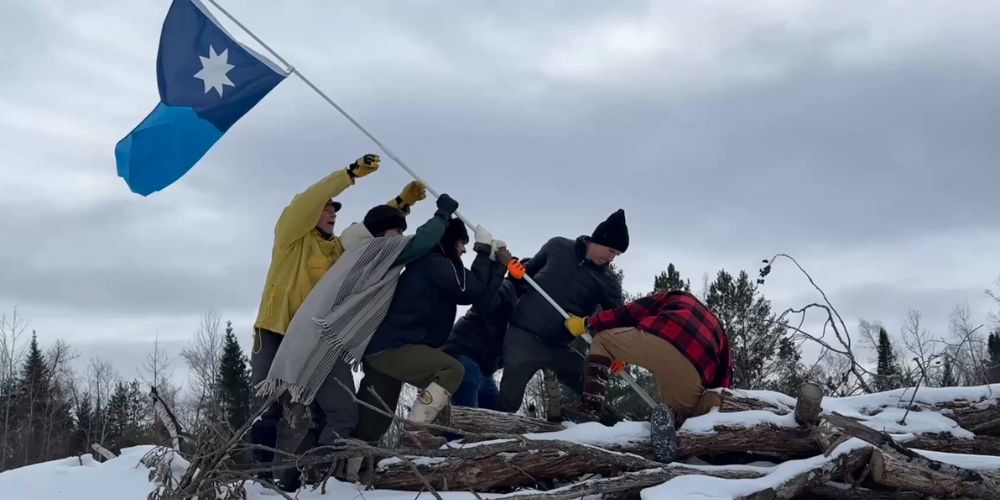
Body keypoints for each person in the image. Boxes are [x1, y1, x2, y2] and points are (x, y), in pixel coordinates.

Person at [258, 194, 462, 488]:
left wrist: (404, 200)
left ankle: (292, 482)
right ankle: (317, 480)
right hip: (322, 343)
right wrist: (442, 215)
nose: (400, 237)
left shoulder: (360, 251)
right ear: (383, 233)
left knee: (329, 417)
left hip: (320, 341)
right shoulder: (375, 249)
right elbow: (421, 242)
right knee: (342, 416)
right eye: (398, 231)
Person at [248, 153, 427, 474]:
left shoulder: (338, 248)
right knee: (268, 409)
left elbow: (372, 233)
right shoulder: (290, 237)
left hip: (318, 340)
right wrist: (349, 174)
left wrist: (400, 203)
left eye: (334, 210)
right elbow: (307, 201)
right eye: (326, 208)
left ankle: (313, 475)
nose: (332, 213)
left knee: (336, 412)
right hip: (275, 332)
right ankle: (257, 478)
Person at [352, 220, 511, 448]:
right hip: (393, 348)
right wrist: (484, 251)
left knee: (375, 422)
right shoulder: (433, 264)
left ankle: (349, 468)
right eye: (461, 243)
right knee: (452, 369)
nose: (463, 250)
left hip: (387, 350)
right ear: (449, 241)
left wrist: (497, 266)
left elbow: (480, 296)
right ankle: (415, 430)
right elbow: (469, 289)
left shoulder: (436, 266)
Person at [563, 290, 733, 454]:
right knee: (685, 422)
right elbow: (724, 377)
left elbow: (630, 312)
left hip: (663, 335)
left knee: (603, 341)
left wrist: (588, 323)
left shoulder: (679, 297)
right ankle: (698, 444)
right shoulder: (720, 333)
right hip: (695, 369)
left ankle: (590, 409)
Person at [498, 209, 628, 414]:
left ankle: (616, 432)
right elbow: (527, 274)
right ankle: (496, 433)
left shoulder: (608, 282)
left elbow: (615, 320)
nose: (611, 258)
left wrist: (619, 353)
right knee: (508, 401)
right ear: (599, 239)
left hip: (559, 346)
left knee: (591, 385)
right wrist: (516, 272)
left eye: (616, 254)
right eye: (611, 250)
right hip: (523, 335)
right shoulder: (557, 246)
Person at [442, 279, 520, 410]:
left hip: (484, 371)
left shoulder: (523, 324)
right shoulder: (507, 288)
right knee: (467, 417)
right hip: (463, 357)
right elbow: (486, 302)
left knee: (498, 415)